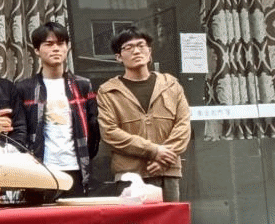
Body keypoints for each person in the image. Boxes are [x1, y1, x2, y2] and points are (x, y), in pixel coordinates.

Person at [97, 27, 190, 202]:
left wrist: (163, 159)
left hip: (167, 171)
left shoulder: (171, 85)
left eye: (141, 45)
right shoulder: (108, 91)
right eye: (128, 47)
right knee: (135, 220)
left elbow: (183, 126)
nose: (136, 51)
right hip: (130, 174)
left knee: (170, 218)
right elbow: (109, 132)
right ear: (118, 57)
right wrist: (153, 151)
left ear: (150, 52)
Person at [16, 21, 99, 198]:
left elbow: (93, 127)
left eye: (61, 44)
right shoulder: (24, 88)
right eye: (49, 44)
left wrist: (86, 156)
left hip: (76, 168)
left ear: (67, 47)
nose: (55, 49)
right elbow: (20, 130)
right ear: (37, 50)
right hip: (40, 169)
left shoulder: (82, 85)